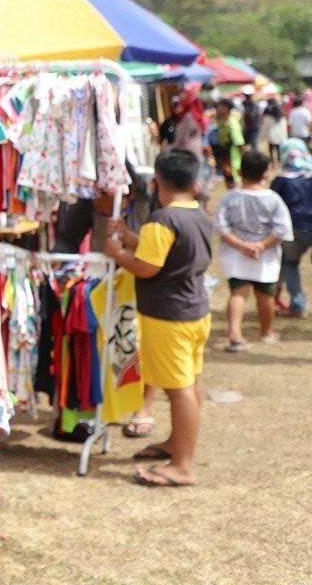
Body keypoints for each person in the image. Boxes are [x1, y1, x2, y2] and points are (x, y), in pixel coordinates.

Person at [104, 148, 213, 488]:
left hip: (170, 319)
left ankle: (182, 465)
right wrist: (129, 237)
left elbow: (148, 267)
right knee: (187, 384)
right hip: (193, 313)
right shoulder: (197, 215)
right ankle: (176, 446)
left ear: (155, 183)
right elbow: (164, 252)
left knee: (179, 390)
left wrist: (118, 253)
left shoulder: (162, 220)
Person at [216, 150, 292, 351]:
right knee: (265, 295)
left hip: (236, 254)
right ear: (266, 174)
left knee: (238, 293)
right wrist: (261, 245)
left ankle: (234, 331)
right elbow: (282, 228)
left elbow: (222, 227)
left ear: (240, 171)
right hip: (264, 256)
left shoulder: (229, 198)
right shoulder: (273, 199)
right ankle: (266, 331)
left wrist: (242, 245)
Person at [270, 138, 312, 318]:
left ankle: (298, 304)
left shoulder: (281, 180)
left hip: (294, 229)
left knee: (290, 264)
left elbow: (271, 206)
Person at [212, 99, 245, 189]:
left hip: (233, 160)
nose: (217, 109)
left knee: (234, 183)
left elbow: (240, 144)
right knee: (229, 181)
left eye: (219, 106)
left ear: (226, 108)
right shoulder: (222, 122)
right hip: (225, 158)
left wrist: (244, 161)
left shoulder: (232, 124)